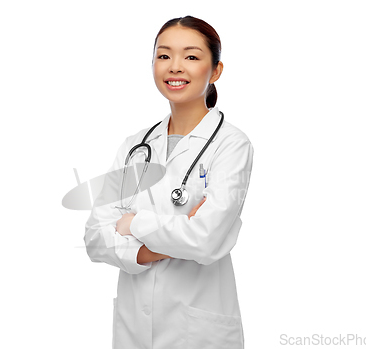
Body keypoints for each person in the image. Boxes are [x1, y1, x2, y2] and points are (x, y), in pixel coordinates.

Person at [84, 15, 254, 349]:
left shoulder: (231, 145)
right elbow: (94, 237)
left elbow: (205, 240)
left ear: (216, 70)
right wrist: (159, 247)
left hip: (198, 331)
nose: (175, 67)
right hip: (133, 328)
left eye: (191, 56)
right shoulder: (136, 147)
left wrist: (132, 222)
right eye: (164, 56)